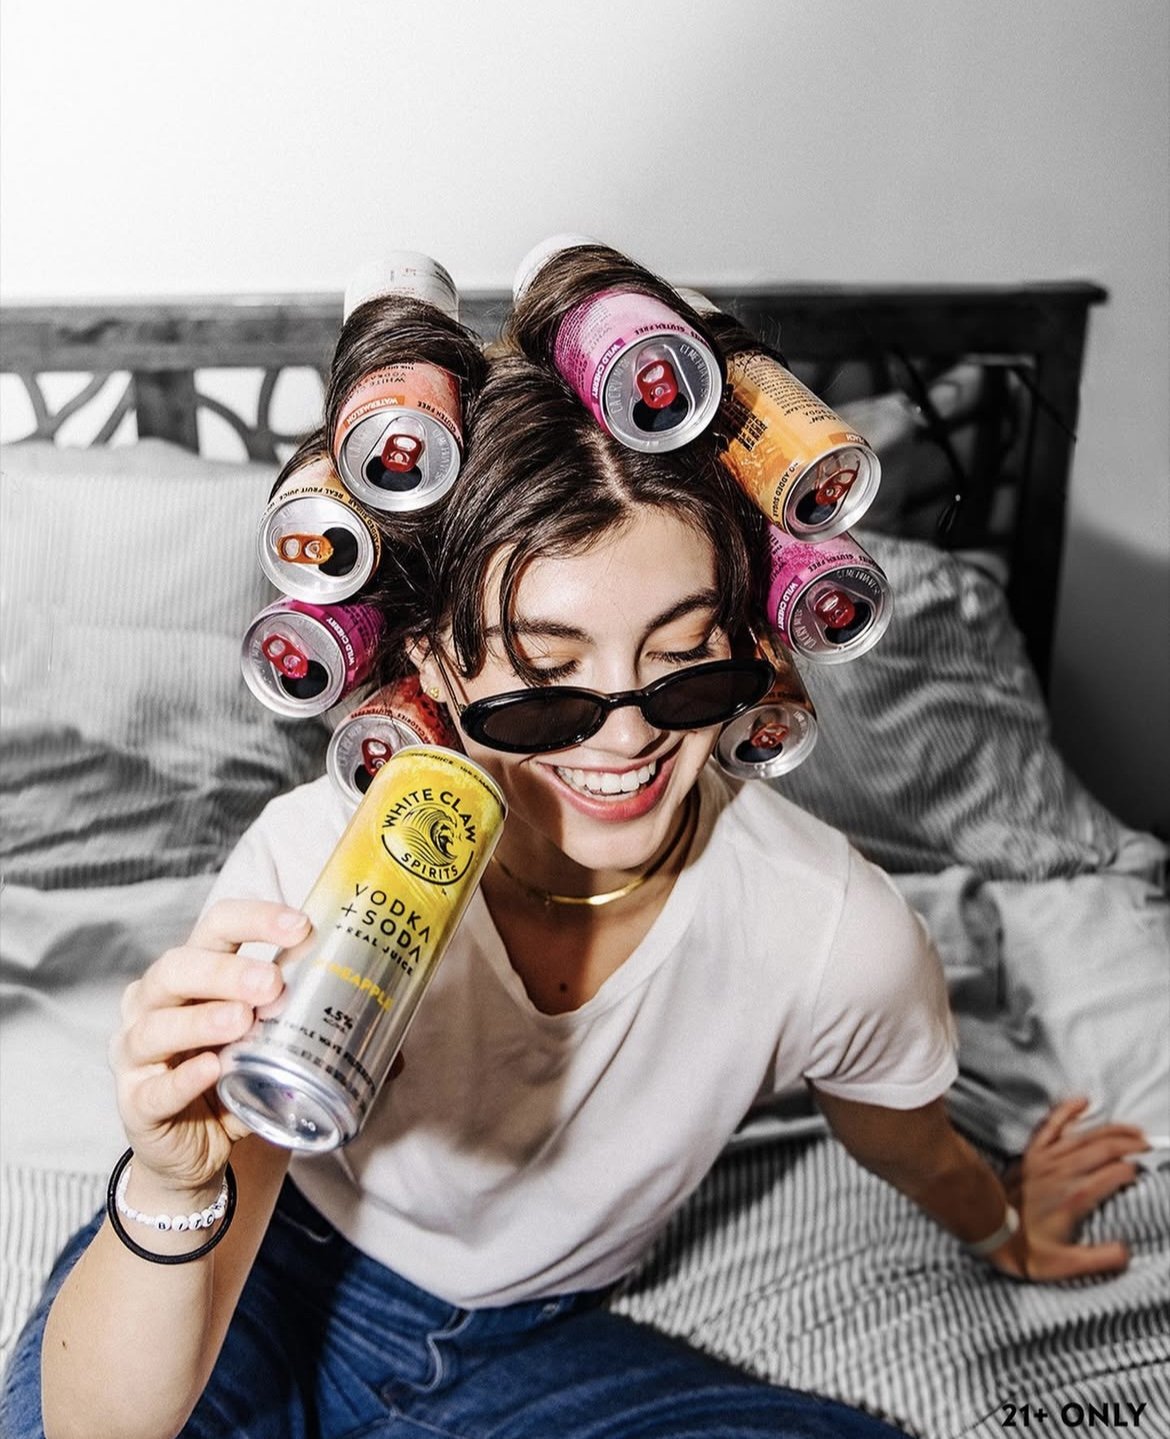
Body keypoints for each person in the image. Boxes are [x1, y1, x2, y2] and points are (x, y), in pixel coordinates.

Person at [6, 349, 1148, 1439]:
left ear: (752, 645)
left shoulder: (830, 927)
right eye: (545, 680)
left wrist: (1003, 1222)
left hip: (533, 1349)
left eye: (687, 659)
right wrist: (166, 1178)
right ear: (440, 667)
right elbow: (107, 1422)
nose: (631, 733)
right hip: (269, 1268)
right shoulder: (323, 860)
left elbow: (905, 1139)